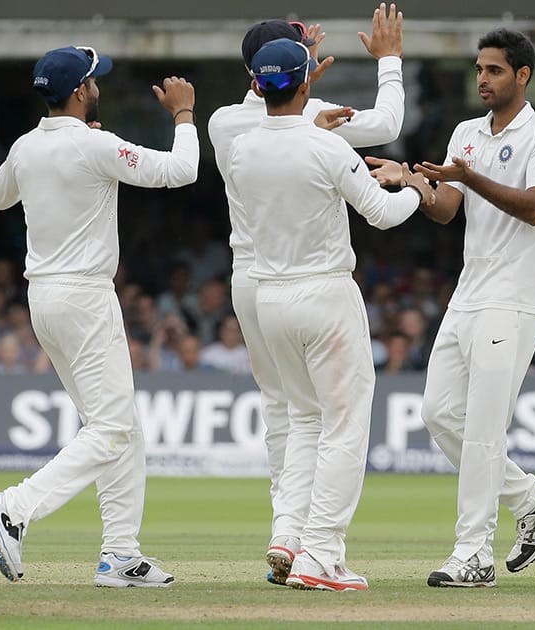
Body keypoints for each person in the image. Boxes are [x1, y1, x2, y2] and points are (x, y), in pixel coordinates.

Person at [0, 45, 197, 586]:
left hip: (45, 299)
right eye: (94, 80)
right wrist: (184, 115)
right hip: (83, 297)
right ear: (80, 91)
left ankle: (120, 554)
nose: (98, 85)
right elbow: (183, 170)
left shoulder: (28, 146)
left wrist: (62, 166)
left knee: (122, 429)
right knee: (113, 427)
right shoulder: (95, 143)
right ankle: (15, 507)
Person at [207, 3, 406, 586]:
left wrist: (296, 80)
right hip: (320, 290)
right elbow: (388, 138)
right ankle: (320, 553)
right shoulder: (324, 132)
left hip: (259, 287)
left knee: (295, 415)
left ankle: (287, 532)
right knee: (343, 423)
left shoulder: (230, 135)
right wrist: (415, 186)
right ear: (306, 78)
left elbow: (275, 123)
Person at [367, 28, 535, 588]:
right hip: (470, 292)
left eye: (494, 70)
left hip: (516, 298)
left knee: (485, 427)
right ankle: (533, 500)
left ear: (522, 75)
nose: (482, 79)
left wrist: (468, 176)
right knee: (438, 413)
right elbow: (446, 209)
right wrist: (412, 182)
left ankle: (473, 554)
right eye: (479, 70)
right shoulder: (465, 132)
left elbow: (534, 209)